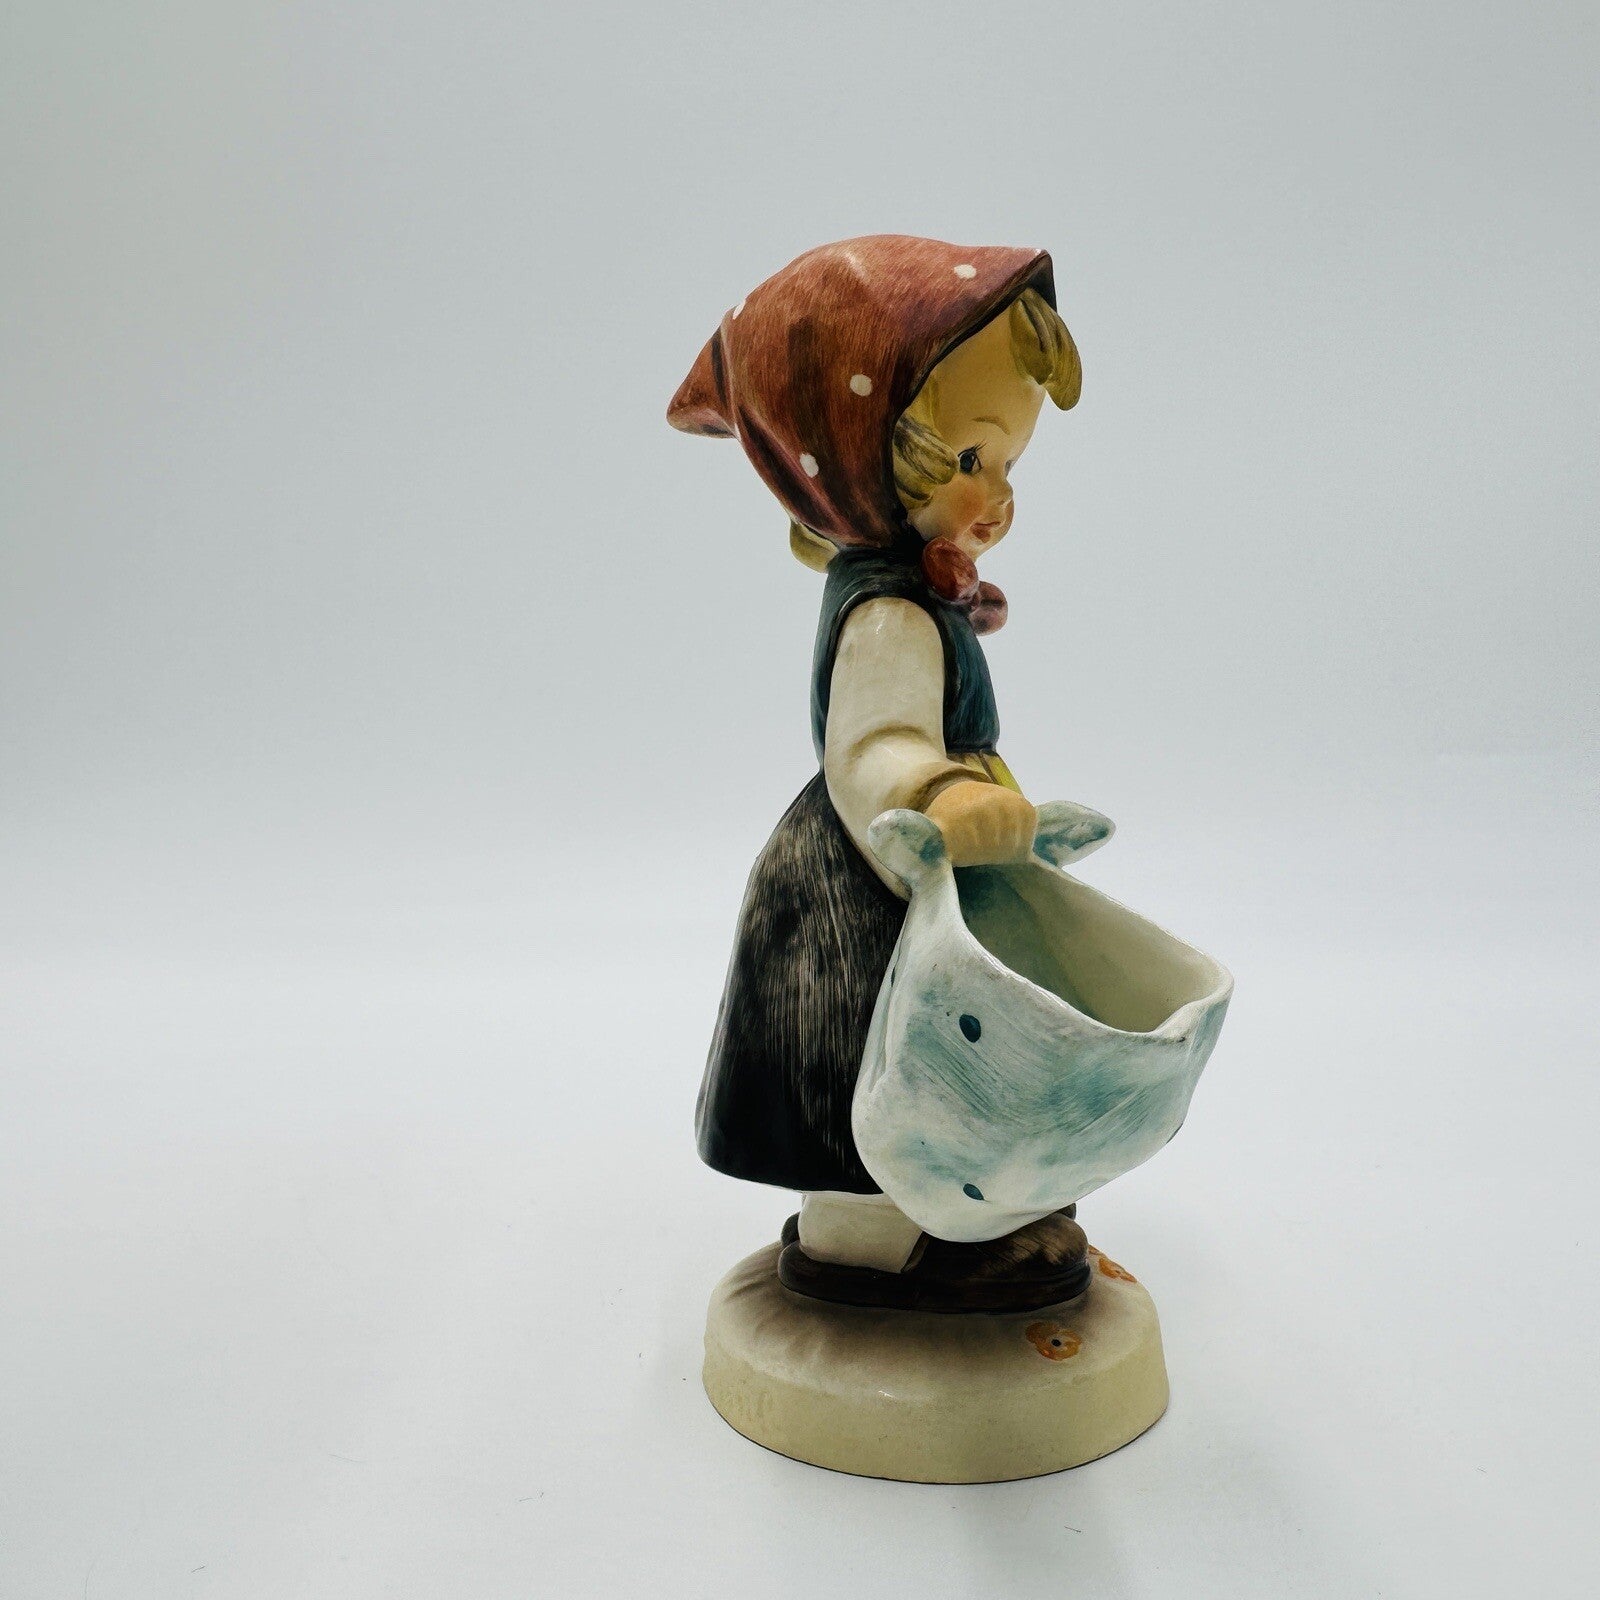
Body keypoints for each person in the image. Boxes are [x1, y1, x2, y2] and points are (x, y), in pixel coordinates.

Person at [669, 236, 1090, 1311]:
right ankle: (864, 1237)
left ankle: (962, 1208)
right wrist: (942, 794)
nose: (997, 495)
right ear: (860, 454)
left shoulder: (917, 593)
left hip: (923, 863)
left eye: (1007, 465)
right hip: (864, 875)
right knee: (867, 1053)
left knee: (950, 1046)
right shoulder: (889, 615)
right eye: (970, 459)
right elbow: (872, 744)